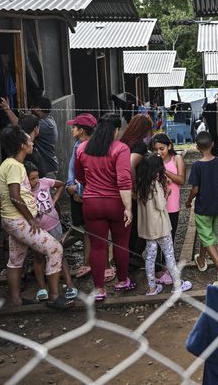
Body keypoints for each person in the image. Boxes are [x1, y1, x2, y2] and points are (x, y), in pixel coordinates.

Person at [0, 125, 69, 309]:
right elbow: (15, 194)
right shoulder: (15, 166)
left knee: (16, 259)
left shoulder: (7, 164)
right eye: (29, 140)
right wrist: (30, 218)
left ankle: (16, 300)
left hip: (11, 220)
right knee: (55, 248)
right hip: (19, 220)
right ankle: (54, 296)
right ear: (22, 145)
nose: (31, 143)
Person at [75, 113, 136, 301]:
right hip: (116, 202)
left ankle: (99, 289)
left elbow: (80, 177)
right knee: (121, 242)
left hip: (91, 203)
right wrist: (128, 208)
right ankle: (122, 280)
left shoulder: (83, 148)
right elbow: (124, 180)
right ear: (116, 130)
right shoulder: (121, 149)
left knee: (97, 246)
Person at [134, 154, 192, 294]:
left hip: (148, 230)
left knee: (150, 257)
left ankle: (152, 287)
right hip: (161, 228)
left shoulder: (141, 184)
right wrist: (167, 194)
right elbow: (161, 205)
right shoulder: (155, 185)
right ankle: (177, 286)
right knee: (169, 255)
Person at [186, 132, 218, 287]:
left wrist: (188, 201)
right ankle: (201, 259)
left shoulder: (197, 165)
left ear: (197, 147)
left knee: (207, 236)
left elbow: (195, 189)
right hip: (217, 206)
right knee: (208, 235)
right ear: (212, 144)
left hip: (202, 207)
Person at [26, 161, 77, 301]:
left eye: (36, 177)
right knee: (39, 257)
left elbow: (60, 184)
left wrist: (54, 199)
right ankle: (43, 288)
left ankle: (69, 284)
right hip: (36, 230)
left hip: (53, 225)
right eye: (31, 178)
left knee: (60, 253)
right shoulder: (23, 191)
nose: (34, 181)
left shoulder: (45, 182)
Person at [65, 113, 107, 280]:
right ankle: (89, 262)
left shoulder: (90, 149)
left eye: (74, 127)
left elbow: (92, 174)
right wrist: (71, 188)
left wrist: (78, 190)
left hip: (88, 194)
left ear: (81, 130)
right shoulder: (77, 145)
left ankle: (99, 264)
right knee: (88, 230)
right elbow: (72, 171)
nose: (72, 130)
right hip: (78, 192)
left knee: (96, 230)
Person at [120, 114, 154, 269]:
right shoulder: (139, 145)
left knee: (128, 226)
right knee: (139, 225)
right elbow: (129, 165)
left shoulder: (124, 142)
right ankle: (133, 257)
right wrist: (132, 188)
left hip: (119, 190)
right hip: (131, 191)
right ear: (145, 130)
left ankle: (127, 259)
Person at [0, 96, 59, 178]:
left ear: (38, 109)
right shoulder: (47, 121)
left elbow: (19, 125)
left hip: (47, 170)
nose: (31, 110)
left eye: (33, 108)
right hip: (45, 168)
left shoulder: (46, 124)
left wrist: (7, 110)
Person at [150, 133, 186, 244]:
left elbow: (181, 180)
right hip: (156, 205)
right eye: (156, 150)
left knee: (170, 236)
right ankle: (158, 261)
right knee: (156, 238)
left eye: (162, 149)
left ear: (169, 146)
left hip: (172, 205)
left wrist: (164, 171)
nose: (159, 153)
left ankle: (167, 261)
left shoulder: (177, 159)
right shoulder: (152, 161)